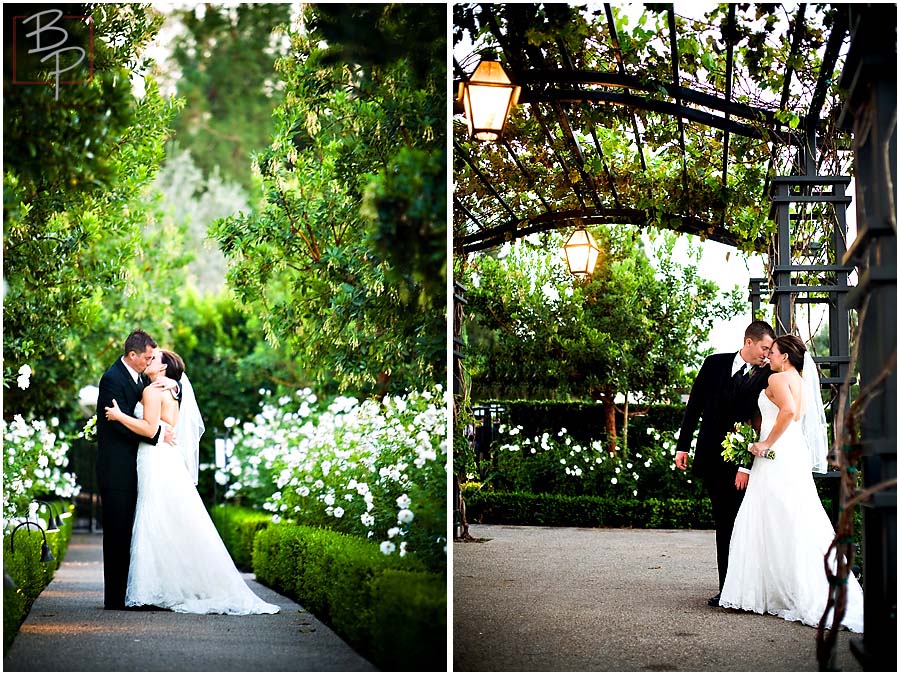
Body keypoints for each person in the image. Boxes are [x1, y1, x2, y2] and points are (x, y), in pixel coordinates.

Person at [105, 348, 279, 614]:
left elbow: (151, 429)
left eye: (154, 359)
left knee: (155, 517)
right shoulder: (170, 390)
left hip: (154, 457)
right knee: (171, 518)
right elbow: (164, 425)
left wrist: (119, 416)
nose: (149, 361)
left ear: (163, 369)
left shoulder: (153, 391)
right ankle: (174, 583)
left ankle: (156, 587)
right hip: (166, 457)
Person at [718, 335, 863, 631]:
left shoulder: (779, 379)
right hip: (792, 452)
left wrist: (765, 444)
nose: (768, 356)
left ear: (784, 357)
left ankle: (769, 590)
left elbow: (787, 412)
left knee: (767, 517)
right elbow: (796, 415)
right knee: (794, 517)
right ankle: (790, 585)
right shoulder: (798, 380)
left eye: (773, 352)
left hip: (777, 454)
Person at [675, 320, 775, 607]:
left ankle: (743, 587)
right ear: (748, 342)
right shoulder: (714, 363)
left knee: (744, 522)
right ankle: (727, 588)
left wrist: (746, 463)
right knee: (724, 523)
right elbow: (694, 405)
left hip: (745, 462)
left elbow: (760, 420)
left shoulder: (768, 373)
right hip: (710, 456)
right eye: (764, 348)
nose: (766, 355)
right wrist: (683, 446)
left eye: (770, 350)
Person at [96, 329, 175, 610]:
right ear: (132, 355)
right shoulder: (112, 379)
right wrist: (155, 435)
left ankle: (132, 593)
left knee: (133, 531)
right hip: (116, 469)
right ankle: (115, 599)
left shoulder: (140, 377)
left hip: (136, 466)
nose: (149, 361)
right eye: (147, 357)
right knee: (117, 533)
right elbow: (116, 423)